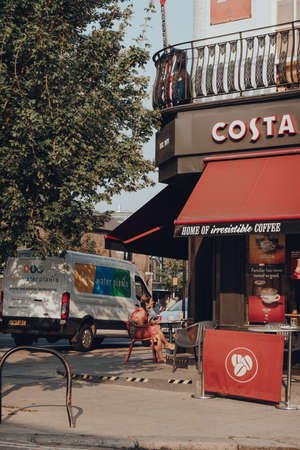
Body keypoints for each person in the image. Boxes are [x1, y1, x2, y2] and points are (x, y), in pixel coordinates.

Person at [130, 294, 174, 363]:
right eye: (151, 301)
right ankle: (165, 345)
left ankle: (161, 357)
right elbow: (142, 327)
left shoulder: (141, 310)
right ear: (146, 303)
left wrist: (152, 323)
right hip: (140, 335)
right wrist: (151, 323)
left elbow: (143, 325)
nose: (153, 302)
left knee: (157, 335)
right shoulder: (142, 313)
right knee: (156, 332)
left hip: (139, 332)